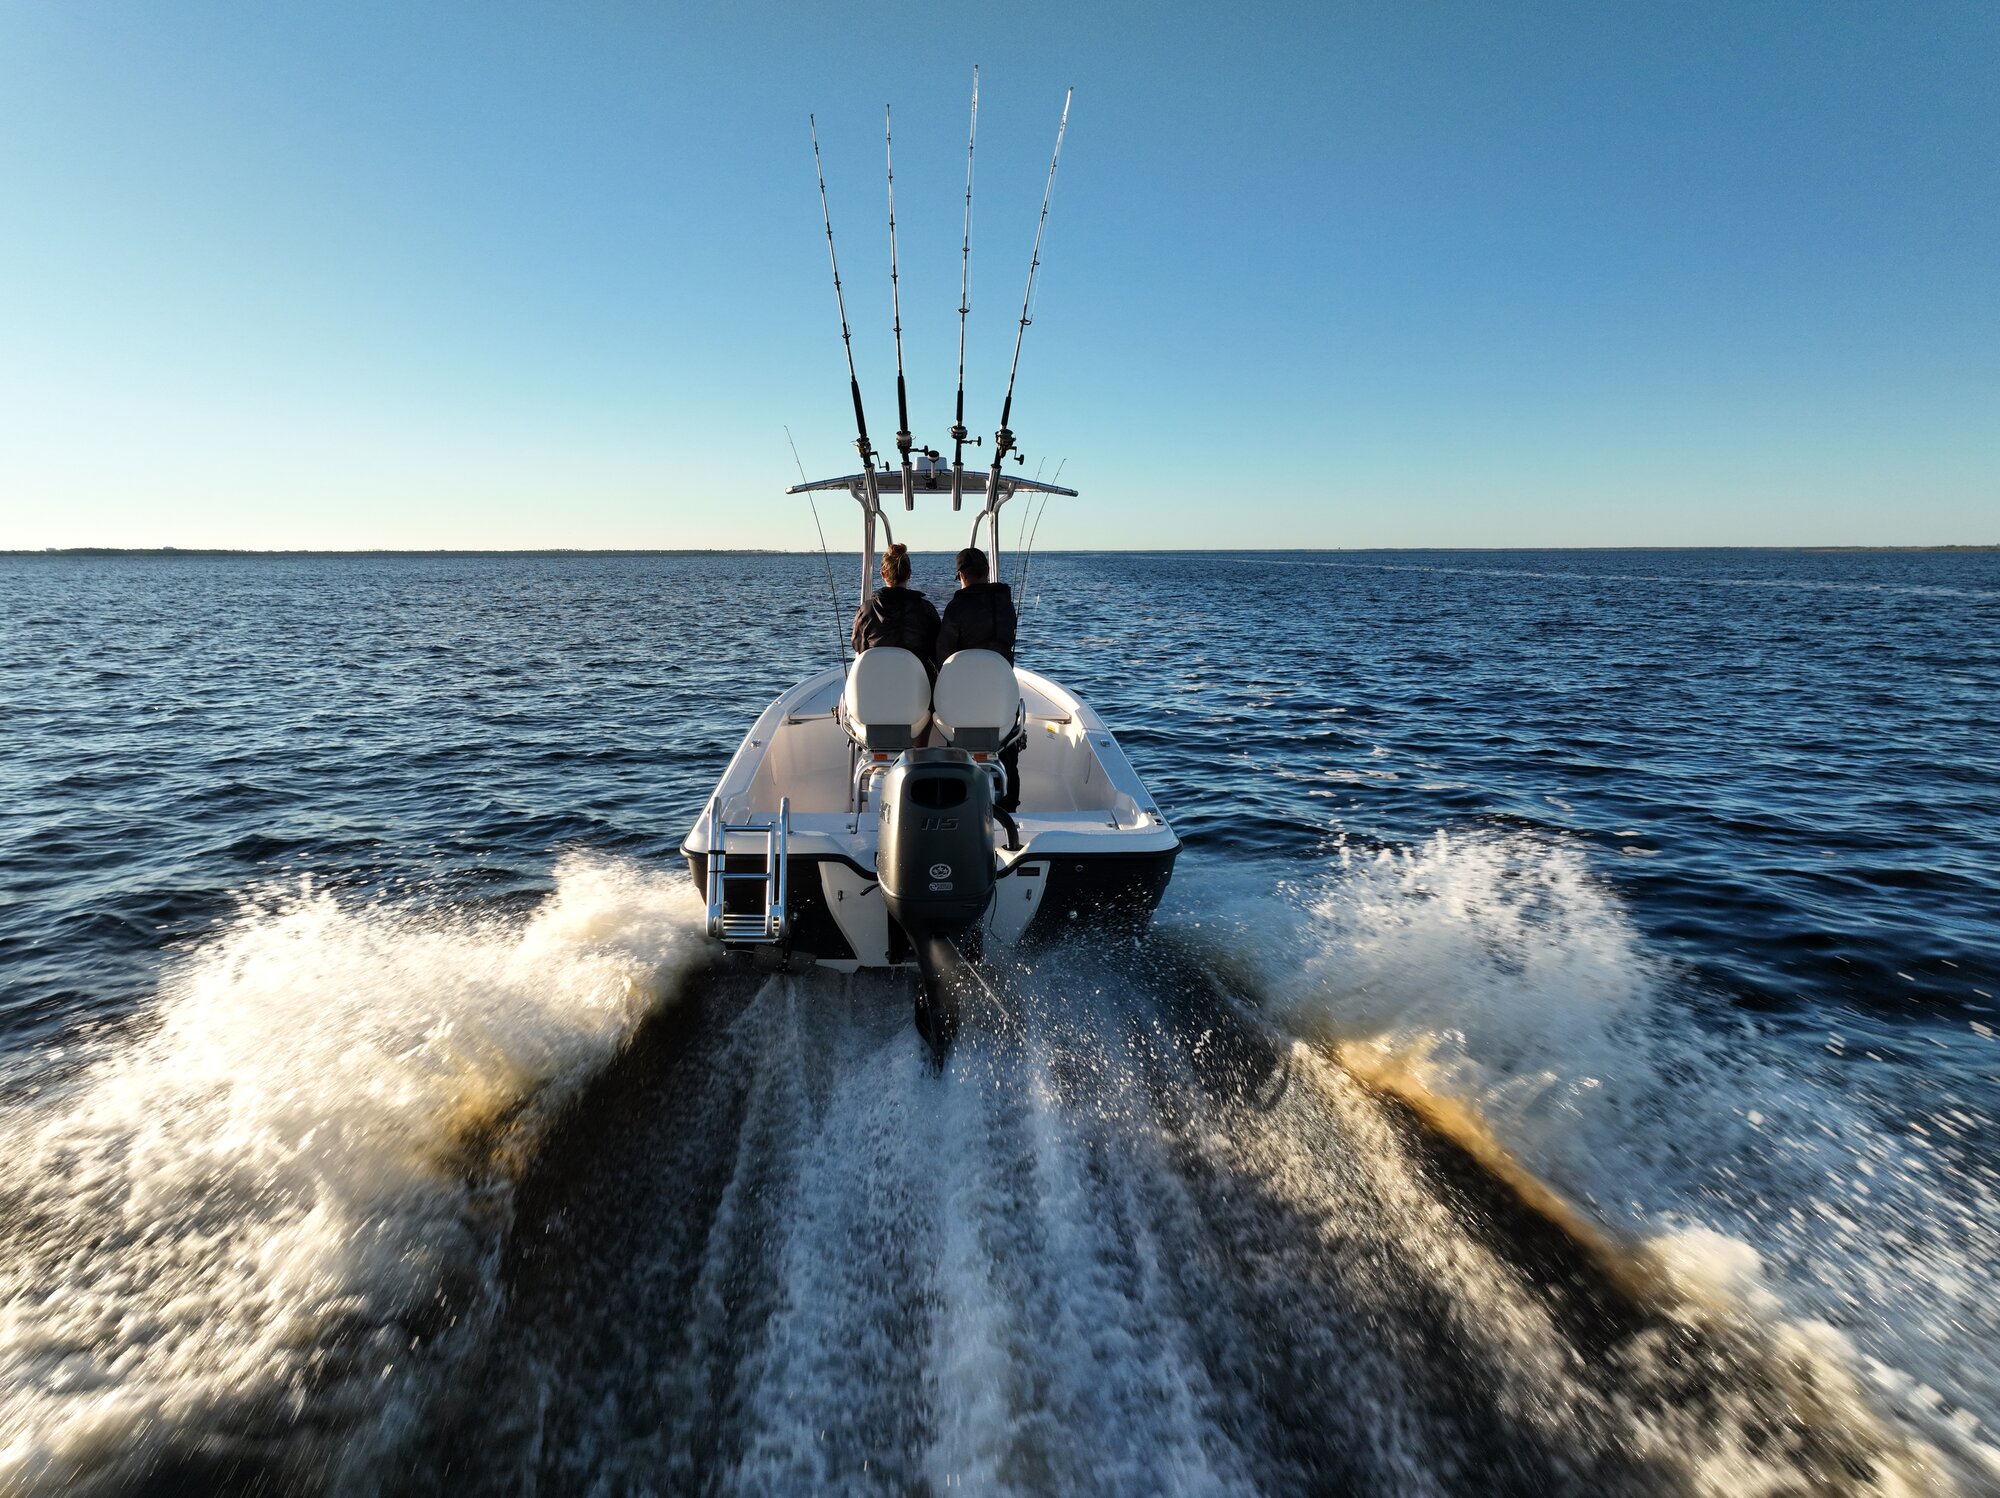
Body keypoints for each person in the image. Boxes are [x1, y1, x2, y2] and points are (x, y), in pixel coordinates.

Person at [936, 546, 1023, 818]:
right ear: (986, 572)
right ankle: (1009, 807)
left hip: (962, 707)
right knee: (1007, 746)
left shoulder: (957, 607)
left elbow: (942, 655)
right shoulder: (1006, 604)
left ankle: (954, 802)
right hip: (1000, 704)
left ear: (962, 575)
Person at [851, 542, 940, 664]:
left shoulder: (866, 609)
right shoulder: (926, 609)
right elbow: (937, 648)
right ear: (909, 574)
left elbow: (858, 646)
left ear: (882, 574)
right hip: (916, 675)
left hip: (877, 674)